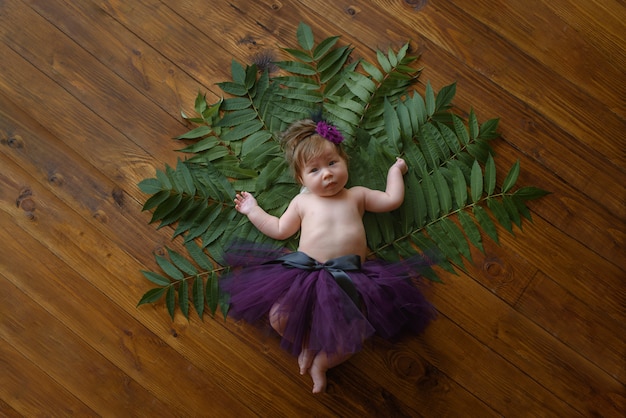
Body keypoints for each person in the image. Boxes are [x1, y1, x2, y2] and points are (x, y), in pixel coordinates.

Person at [222, 119, 435, 393]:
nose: (327, 174)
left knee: (354, 334)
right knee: (278, 317)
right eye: (314, 170)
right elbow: (278, 228)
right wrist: (253, 209)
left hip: (349, 276)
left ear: (344, 161)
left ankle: (321, 364)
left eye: (332, 163)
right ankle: (306, 345)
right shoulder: (302, 202)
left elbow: (392, 200)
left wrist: (396, 170)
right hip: (303, 273)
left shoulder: (357, 196)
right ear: (301, 179)